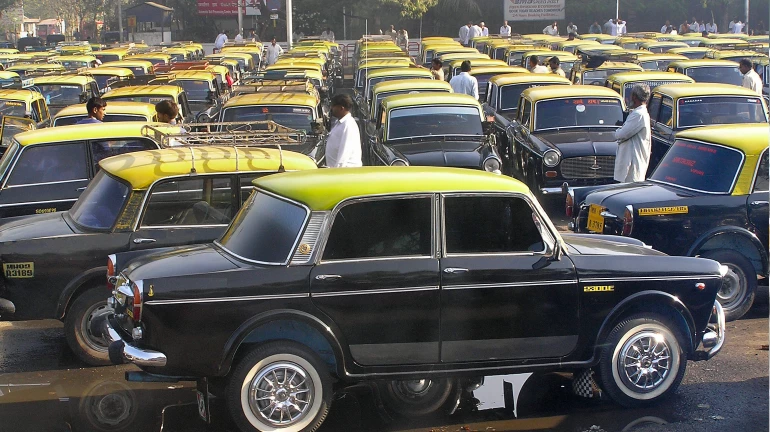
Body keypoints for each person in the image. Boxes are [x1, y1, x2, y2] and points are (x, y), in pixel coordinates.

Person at [613, 84, 651, 183]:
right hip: (631, 162)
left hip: (632, 164)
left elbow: (621, 134)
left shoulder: (639, 115)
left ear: (634, 97)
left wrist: (617, 132)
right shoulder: (639, 113)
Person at [325, 94, 362, 168]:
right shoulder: (340, 123)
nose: (331, 109)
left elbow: (345, 152)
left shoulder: (348, 125)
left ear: (341, 108)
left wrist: (337, 172)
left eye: (333, 106)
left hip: (346, 172)